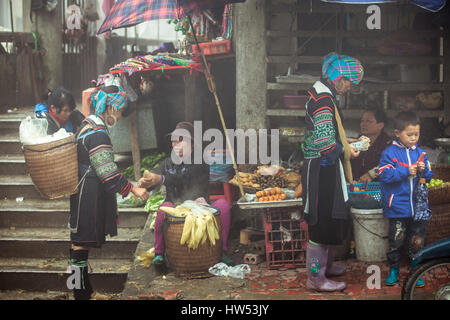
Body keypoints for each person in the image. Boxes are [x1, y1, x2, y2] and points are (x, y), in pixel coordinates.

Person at [69, 85, 149, 300]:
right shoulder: (98, 133)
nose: (121, 115)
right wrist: (134, 189)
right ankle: (79, 295)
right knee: (79, 245)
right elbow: (108, 174)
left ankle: (85, 292)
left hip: (83, 191)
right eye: (120, 110)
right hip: (88, 195)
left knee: (80, 245)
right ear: (111, 107)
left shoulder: (88, 125)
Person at [301, 52, 364, 292]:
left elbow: (327, 134)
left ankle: (325, 266)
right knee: (321, 224)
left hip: (323, 166)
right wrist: (348, 151)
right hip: (322, 169)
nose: (349, 86)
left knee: (327, 220)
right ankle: (315, 278)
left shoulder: (322, 94)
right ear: (337, 76)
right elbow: (326, 144)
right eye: (348, 80)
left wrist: (346, 142)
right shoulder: (324, 100)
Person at [137, 121, 233, 266]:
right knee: (163, 209)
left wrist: (161, 178)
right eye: (174, 141)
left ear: (193, 145)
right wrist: (145, 184)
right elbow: (155, 175)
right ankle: (159, 254)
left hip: (201, 207)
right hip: (177, 208)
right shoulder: (167, 163)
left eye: (181, 140)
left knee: (224, 206)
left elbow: (184, 177)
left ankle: (222, 252)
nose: (176, 144)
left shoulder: (200, 161)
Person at [378, 111, 433, 287]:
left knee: (417, 241)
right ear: (397, 133)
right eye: (409, 134)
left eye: (416, 134)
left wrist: (424, 171)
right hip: (397, 207)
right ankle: (394, 270)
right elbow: (385, 175)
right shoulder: (389, 153)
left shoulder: (421, 153)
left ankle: (416, 271)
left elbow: (429, 177)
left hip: (418, 207)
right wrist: (406, 171)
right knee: (396, 240)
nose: (413, 138)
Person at [351, 109, 392, 182]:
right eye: (362, 121)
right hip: (357, 187)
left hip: (378, 188)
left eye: (368, 121)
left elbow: (389, 164)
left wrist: (371, 174)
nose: (363, 124)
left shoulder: (388, 144)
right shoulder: (358, 142)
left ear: (380, 125)